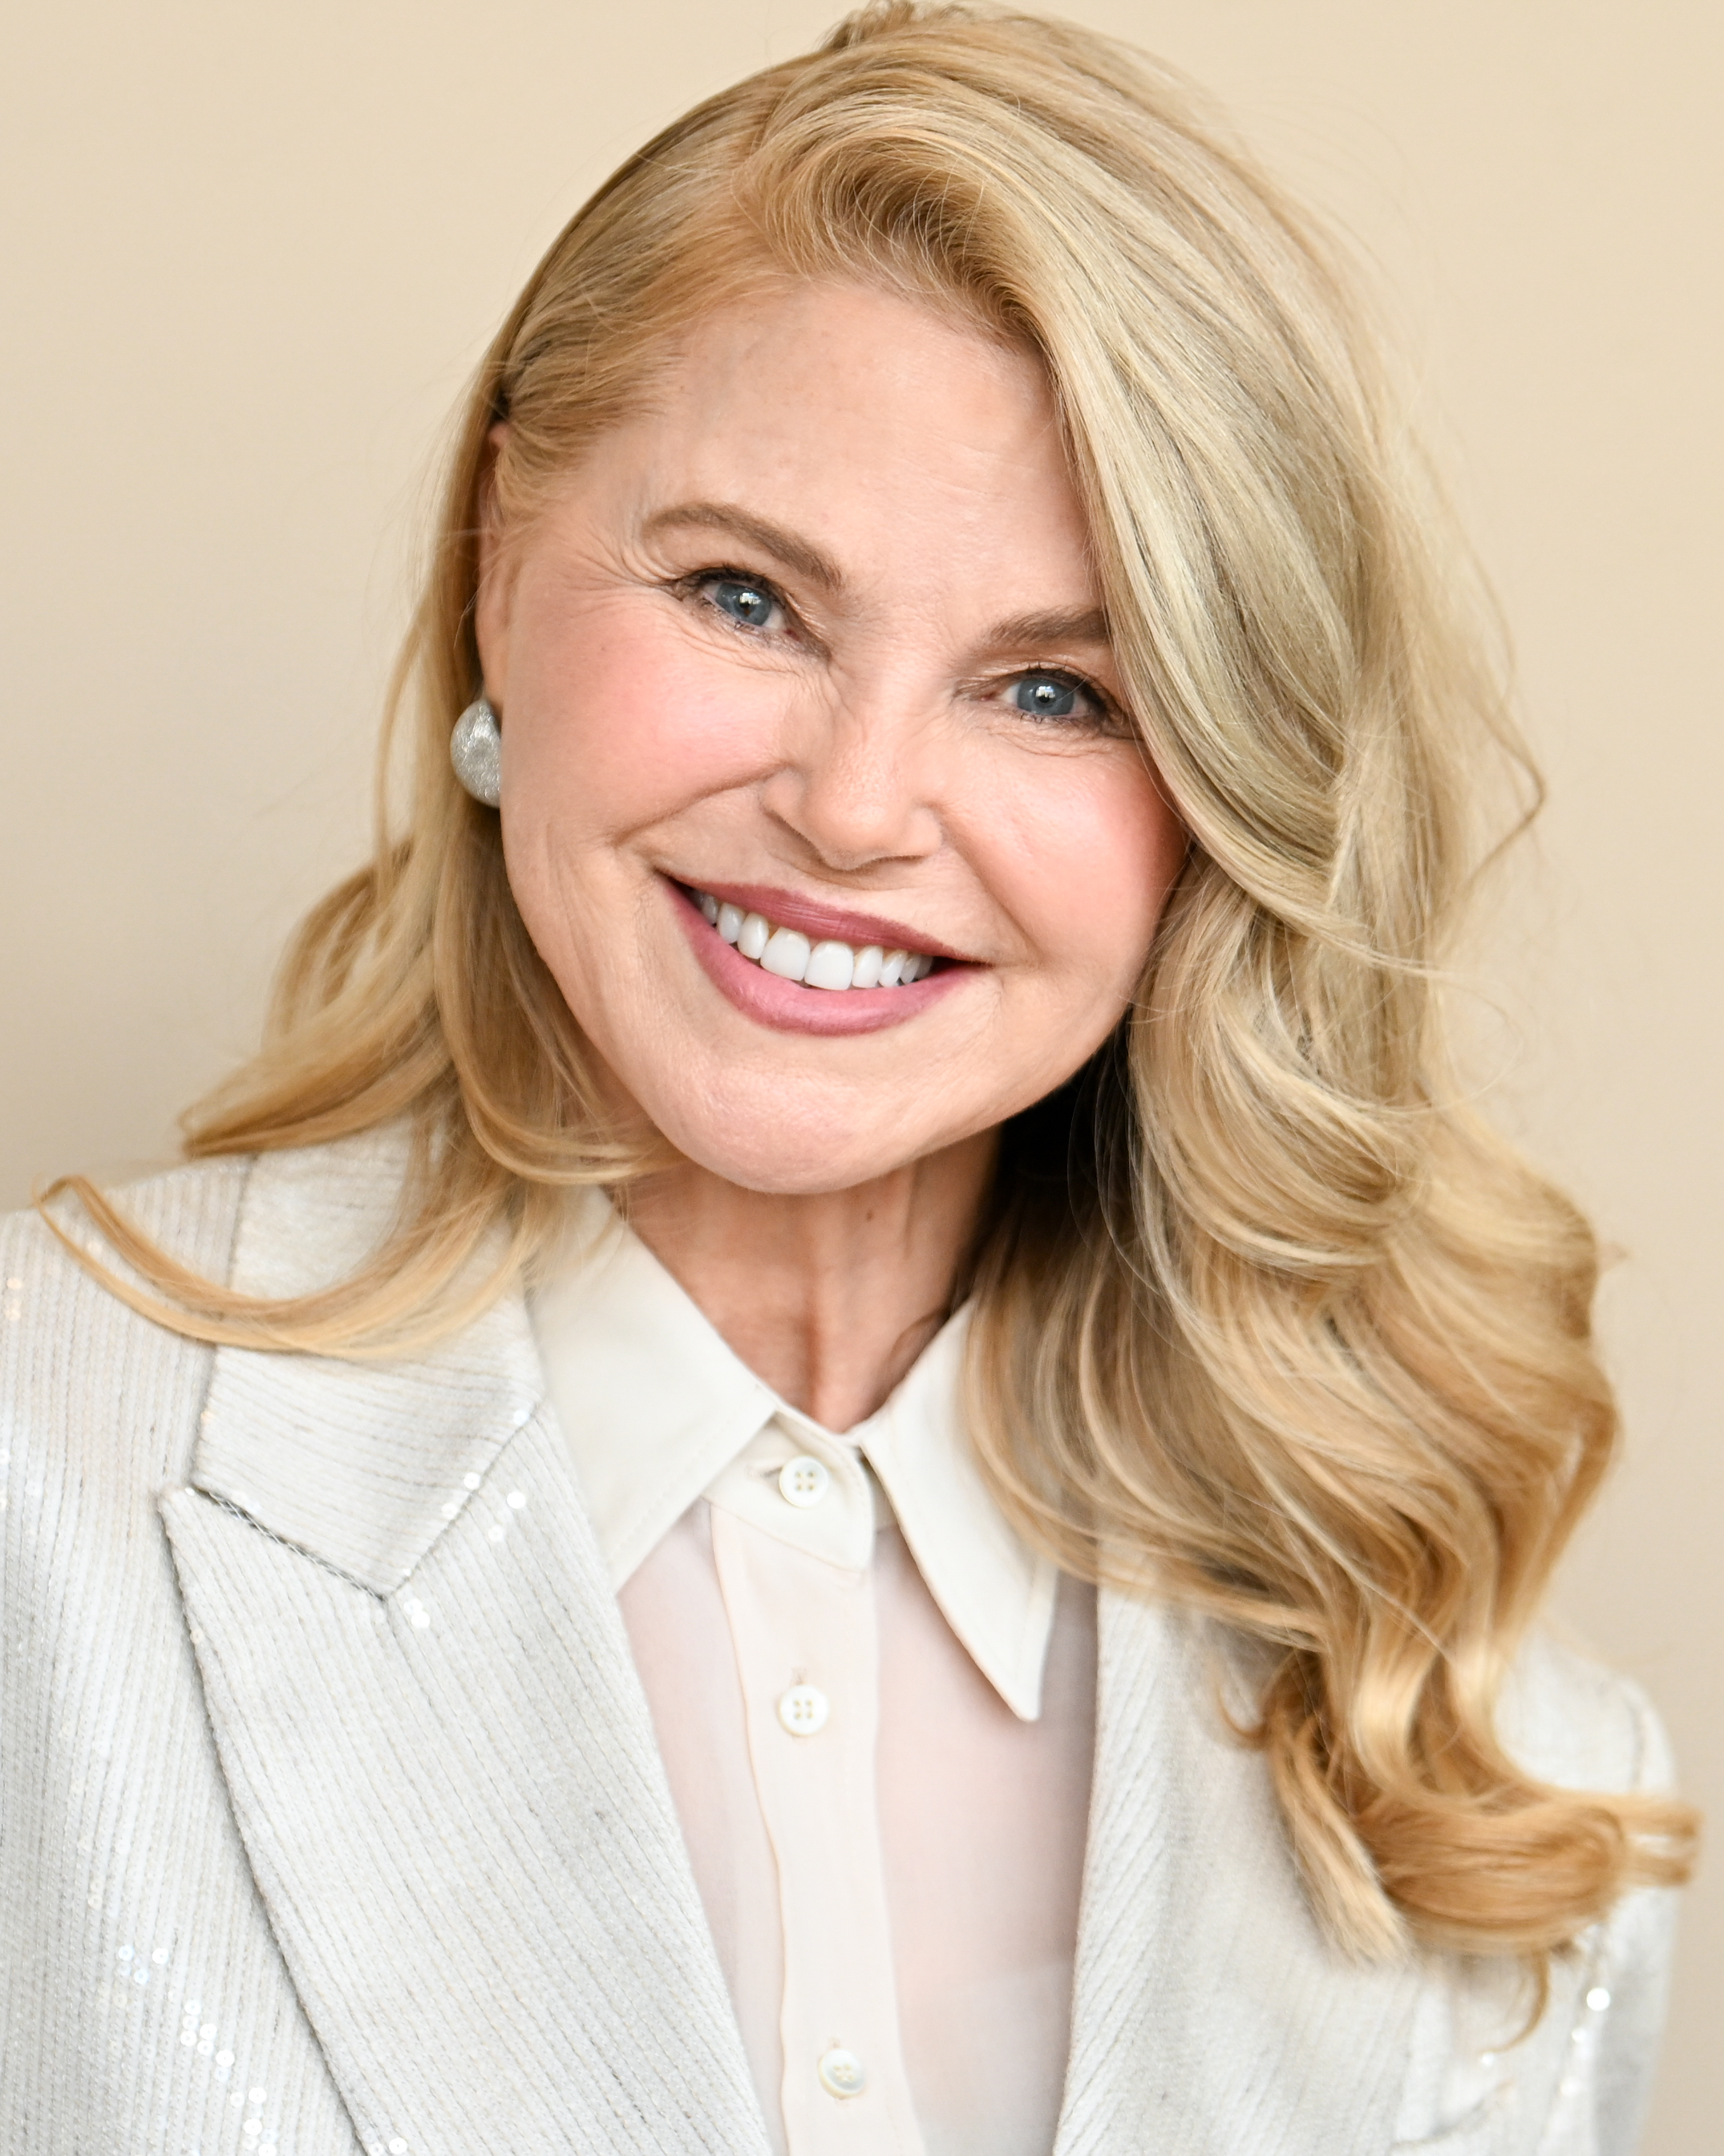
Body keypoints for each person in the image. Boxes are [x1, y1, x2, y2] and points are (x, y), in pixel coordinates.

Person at [0, 6, 1696, 2152]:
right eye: (746, 596)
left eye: (1059, 691)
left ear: (1218, 816)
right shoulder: (38, 1490)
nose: (860, 804)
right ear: (494, 569)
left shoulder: (1500, 1780)